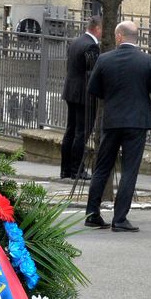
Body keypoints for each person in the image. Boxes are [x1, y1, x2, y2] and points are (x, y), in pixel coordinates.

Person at [84, 20, 151, 233]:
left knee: (102, 167)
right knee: (130, 170)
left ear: (119, 36)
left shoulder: (104, 59)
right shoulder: (148, 61)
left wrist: (111, 98)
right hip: (137, 123)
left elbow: (93, 89)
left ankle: (92, 214)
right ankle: (120, 218)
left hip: (112, 121)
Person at [60, 16, 102, 180]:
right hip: (84, 95)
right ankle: (77, 169)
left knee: (70, 131)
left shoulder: (76, 42)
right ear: (97, 29)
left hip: (71, 92)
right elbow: (93, 74)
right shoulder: (91, 46)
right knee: (81, 133)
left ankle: (65, 169)